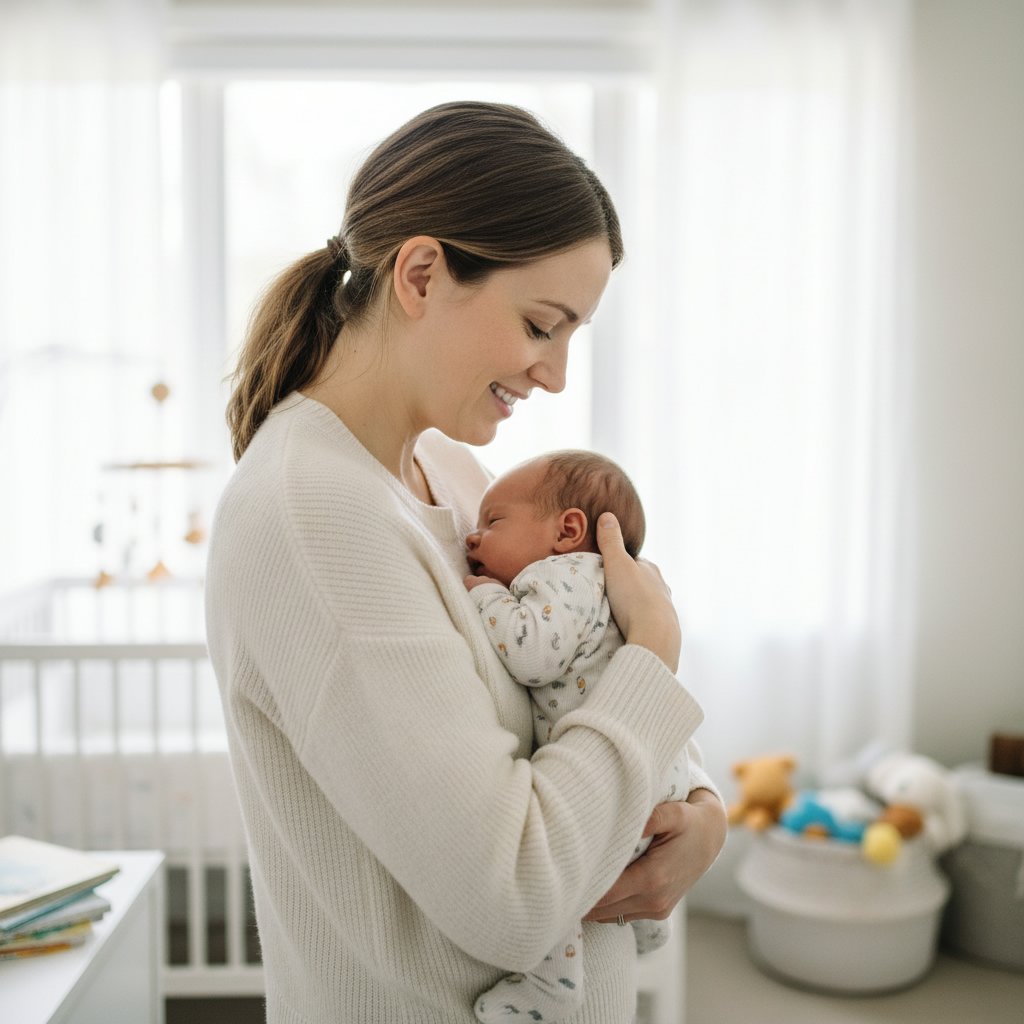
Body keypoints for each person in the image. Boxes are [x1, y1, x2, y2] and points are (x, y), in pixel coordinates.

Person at [205, 100, 727, 1024]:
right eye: (540, 325)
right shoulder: (313, 516)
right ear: (420, 273)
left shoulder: (447, 472)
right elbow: (514, 896)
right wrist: (656, 660)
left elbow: (579, 673)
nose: (557, 373)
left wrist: (702, 811)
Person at [465, 450, 707, 1023]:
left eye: (493, 523)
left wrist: (483, 596)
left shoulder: (563, 576)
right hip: (658, 770)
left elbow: (530, 653)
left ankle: (550, 987)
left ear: (567, 531)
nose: (473, 541)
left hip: (622, 780)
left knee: (566, 884)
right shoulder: (609, 585)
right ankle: (647, 929)